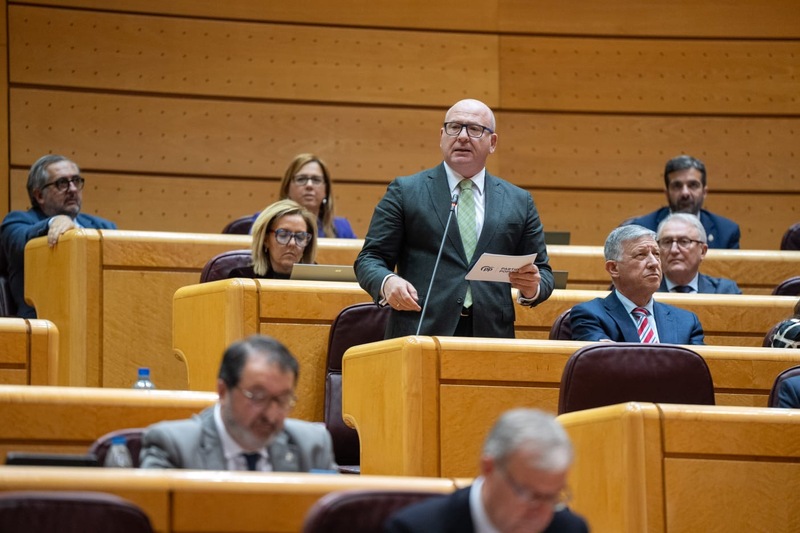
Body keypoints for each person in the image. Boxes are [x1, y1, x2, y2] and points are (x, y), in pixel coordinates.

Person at [355, 98, 554, 338]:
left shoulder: (519, 200)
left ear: (492, 142)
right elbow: (369, 258)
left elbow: (543, 272)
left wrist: (532, 288)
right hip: (421, 327)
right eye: (454, 127)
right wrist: (387, 282)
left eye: (474, 129)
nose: (462, 136)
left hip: (491, 334)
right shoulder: (406, 191)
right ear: (442, 136)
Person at [139, 334, 337, 471]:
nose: (271, 414)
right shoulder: (173, 446)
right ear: (223, 391)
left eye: (282, 399)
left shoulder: (313, 446)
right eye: (258, 397)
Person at [384, 408, 588, 533]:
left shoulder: (570, 529)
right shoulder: (415, 528)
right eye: (528, 494)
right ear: (488, 468)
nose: (541, 511)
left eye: (552, 497)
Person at [0, 154, 116, 318]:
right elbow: (20, 243)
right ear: (39, 195)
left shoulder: (104, 227)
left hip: (99, 320)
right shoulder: (17, 222)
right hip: (45, 326)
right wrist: (53, 222)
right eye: (62, 183)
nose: (73, 189)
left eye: (76, 180)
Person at [570, 225, 704, 344]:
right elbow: (605, 362)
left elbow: (702, 368)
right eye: (641, 255)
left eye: (656, 254)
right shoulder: (590, 315)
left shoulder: (686, 322)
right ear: (614, 268)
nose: (654, 263)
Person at [624, 155, 740, 249]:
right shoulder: (642, 229)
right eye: (677, 186)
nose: (685, 193)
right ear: (667, 192)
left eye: (693, 185)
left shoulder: (726, 232)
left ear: (704, 192)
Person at [251, 153, 356, 238]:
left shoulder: (342, 228)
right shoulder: (265, 221)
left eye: (316, 180)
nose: (309, 185)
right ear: (287, 188)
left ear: (326, 190)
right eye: (301, 179)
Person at [230, 199, 318, 279]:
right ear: (265, 239)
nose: (292, 243)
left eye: (300, 237)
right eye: (283, 235)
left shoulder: (319, 280)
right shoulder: (242, 279)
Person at [655, 213, 741, 294]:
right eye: (667, 242)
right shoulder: (645, 291)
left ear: (703, 251)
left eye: (684, 242)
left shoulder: (725, 291)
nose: (674, 250)